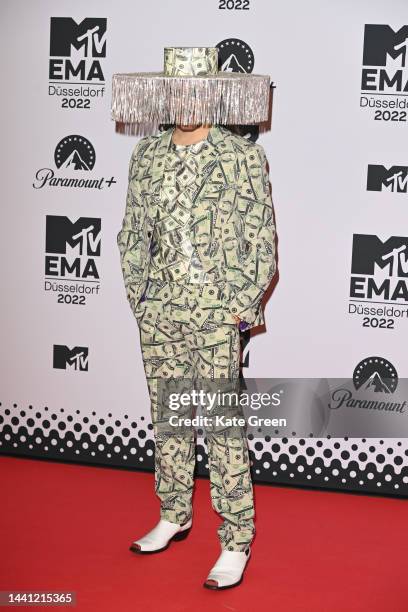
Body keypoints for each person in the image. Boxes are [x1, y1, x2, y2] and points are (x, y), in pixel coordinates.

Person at [113, 47, 276, 590]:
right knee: (170, 418)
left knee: (223, 426)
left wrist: (240, 304)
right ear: (166, 94)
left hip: (214, 313)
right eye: (176, 91)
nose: (186, 102)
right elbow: (133, 233)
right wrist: (142, 297)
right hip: (160, 312)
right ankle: (174, 514)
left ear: (211, 94)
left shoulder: (240, 156)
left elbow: (261, 237)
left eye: (195, 91)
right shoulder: (147, 155)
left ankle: (235, 540)